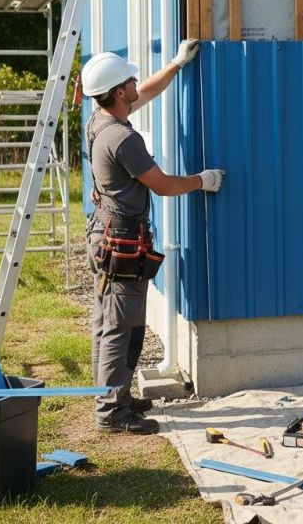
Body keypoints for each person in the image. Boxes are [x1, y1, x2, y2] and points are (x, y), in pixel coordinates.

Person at [81, 39, 225, 434]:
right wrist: (202, 180)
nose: (135, 80)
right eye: (128, 79)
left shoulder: (100, 119)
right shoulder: (124, 139)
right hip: (121, 239)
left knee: (113, 321)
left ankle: (116, 396)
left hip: (109, 232)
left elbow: (143, 94)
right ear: (116, 92)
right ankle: (112, 412)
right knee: (119, 328)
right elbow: (160, 185)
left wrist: (176, 65)